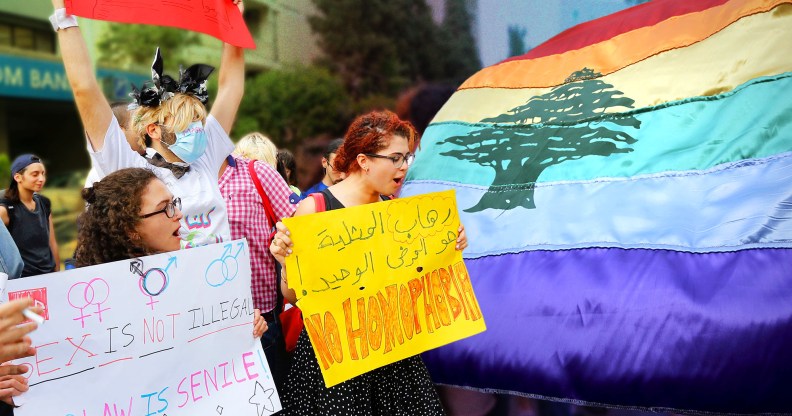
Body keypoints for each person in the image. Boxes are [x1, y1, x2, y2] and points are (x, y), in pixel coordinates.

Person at [269, 110, 469, 415]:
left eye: (408, 158)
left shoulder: (393, 210)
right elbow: (294, 297)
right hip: (336, 362)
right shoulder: (315, 209)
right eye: (397, 158)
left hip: (392, 353)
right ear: (364, 161)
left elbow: (412, 283)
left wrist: (448, 248)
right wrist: (286, 264)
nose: (404, 167)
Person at [53, 0, 245, 248]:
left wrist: (233, 22)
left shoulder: (205, 159)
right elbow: (84, 89)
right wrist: (63, 15)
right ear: (153, 129)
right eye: (185, 123)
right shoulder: (130, 170)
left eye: (198, 121)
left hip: (225, 281)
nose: (197, 130)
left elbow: (231, 88)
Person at [73, 167, 266, 332]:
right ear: (131, 229)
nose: (179, 214)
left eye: (174, 203)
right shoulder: (97, 301)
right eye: (165, 207)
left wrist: (244, 324)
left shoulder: (201, 269)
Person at [217, 144, 297, 391]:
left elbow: (300, 224)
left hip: (262, 321)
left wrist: (283, 245)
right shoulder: (173, 182)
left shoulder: (256, 172)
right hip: (205, 329)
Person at [0, 155, 58, 277]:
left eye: (43, 173)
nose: (41, 178)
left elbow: (52, 243)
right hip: (22, 282)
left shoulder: (44, 204)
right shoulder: (6, 209)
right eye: (35, 174)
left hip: (48, 277)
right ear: (18, 177)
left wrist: (58, 275)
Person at [84, 101, 146, 188]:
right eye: (139, 123)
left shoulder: (154, 156)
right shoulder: (102, 172)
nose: (145, 128)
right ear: (120, 131)